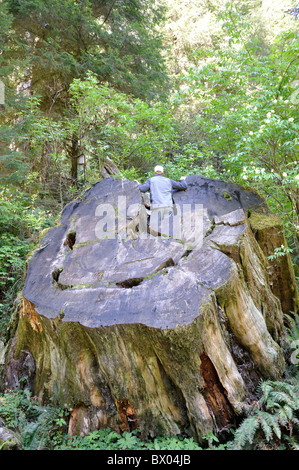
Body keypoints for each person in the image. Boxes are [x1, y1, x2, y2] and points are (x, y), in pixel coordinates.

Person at [135, 165, 187, 236]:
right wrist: (183, 179)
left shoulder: (151, 180)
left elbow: (143, 189)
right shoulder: (168, 180)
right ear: (162, 173)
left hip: (157, 208)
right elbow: (183, 186)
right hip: (168, 207)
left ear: (154, 172)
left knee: (153, 231)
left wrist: (139, 184)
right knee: (166, 230)